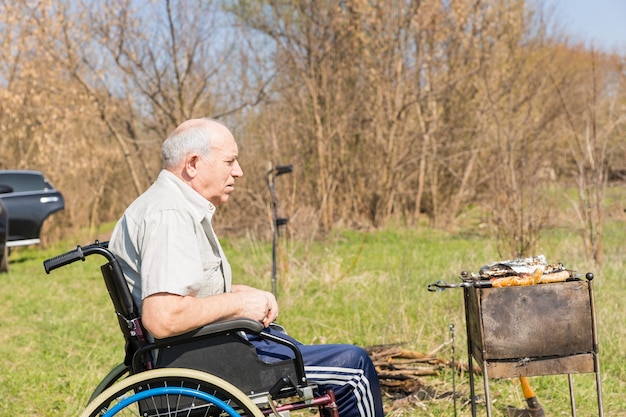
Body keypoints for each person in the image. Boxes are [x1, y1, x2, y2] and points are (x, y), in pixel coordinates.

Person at [109, 118, 384, 417]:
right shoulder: (169, 214)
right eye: (229, 161)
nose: (238, 171)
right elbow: (163, 317)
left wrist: (245, 293)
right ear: (193, 164)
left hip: (202, 350)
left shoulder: (171, 205)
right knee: (354, 368)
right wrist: (238, 302)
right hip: (201, 361)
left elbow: (188, 290)